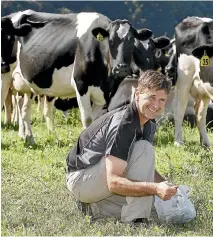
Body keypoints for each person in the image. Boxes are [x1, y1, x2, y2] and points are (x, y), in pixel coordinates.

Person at [65, 70, 178, 224]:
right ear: (137, 94)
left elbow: (142, 164)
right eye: (151, 97)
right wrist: (155, 189)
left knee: (153, 203)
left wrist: (168, 186)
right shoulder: (124, 123)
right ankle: (136, 220)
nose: (156, 105)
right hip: (81, 179)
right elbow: (113, 182)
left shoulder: (149, 123)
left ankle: (96, 207)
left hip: (97, 176)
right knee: (148, 190)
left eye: (162, 100)